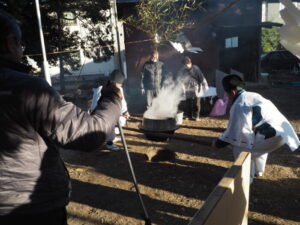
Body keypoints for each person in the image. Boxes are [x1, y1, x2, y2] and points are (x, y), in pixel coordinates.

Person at [0, 10, 122, 225]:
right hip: (29, 208)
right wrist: (112, 97)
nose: (21, 50)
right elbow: (89, 134)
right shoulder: (26, 88)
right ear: (10, 43)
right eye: (20, 44)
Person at [212, 74, 300, 182]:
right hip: (282, 134)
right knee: (257, 140)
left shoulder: (239, 105)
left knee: (240, 147)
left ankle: (246, 178)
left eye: (227, 93)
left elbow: (236, 134)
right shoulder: (253, 95)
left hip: (270, 136)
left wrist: (218, 143)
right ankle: (259, 170)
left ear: (233, 92)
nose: (227, 96)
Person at [90, 69, 130, 152]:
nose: (120, 85)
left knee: (121, 120)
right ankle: (109, 143)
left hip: (110, 112)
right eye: (119, 84)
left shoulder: (119, 89)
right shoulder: (101, 89)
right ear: (114, 82)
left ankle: (110, 136)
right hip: (100, 113)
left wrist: (125, 112)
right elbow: (94, 105)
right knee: (109, 119)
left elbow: (122, 102)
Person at [178, 56, 208, 121]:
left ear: (190, 63)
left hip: (196, 87)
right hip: (187, 88)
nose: (186, 66)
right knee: (188, 102)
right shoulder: (182, 70)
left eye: (187, 64)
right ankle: (189, 116)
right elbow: (181, 80)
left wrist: (205, 85)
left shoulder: (196, 69)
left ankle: (197, 116)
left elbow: (202, 77)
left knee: (197, 103)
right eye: (184, 65)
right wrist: (182, 88)